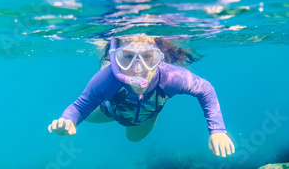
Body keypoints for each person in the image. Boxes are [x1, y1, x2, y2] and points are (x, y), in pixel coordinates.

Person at [48, 34, 235, 157]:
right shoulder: (107, 79)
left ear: (159, 57)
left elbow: (206, 89)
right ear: (116, 58)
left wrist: (217, 129)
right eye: (128, 57)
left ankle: (152, 111)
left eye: (147, 57)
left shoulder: (171, 77)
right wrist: (68, 120)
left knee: (133, 138)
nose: (138, 69)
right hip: (107, 111)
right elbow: (80, 106)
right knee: (86, 117)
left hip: (145, 119)